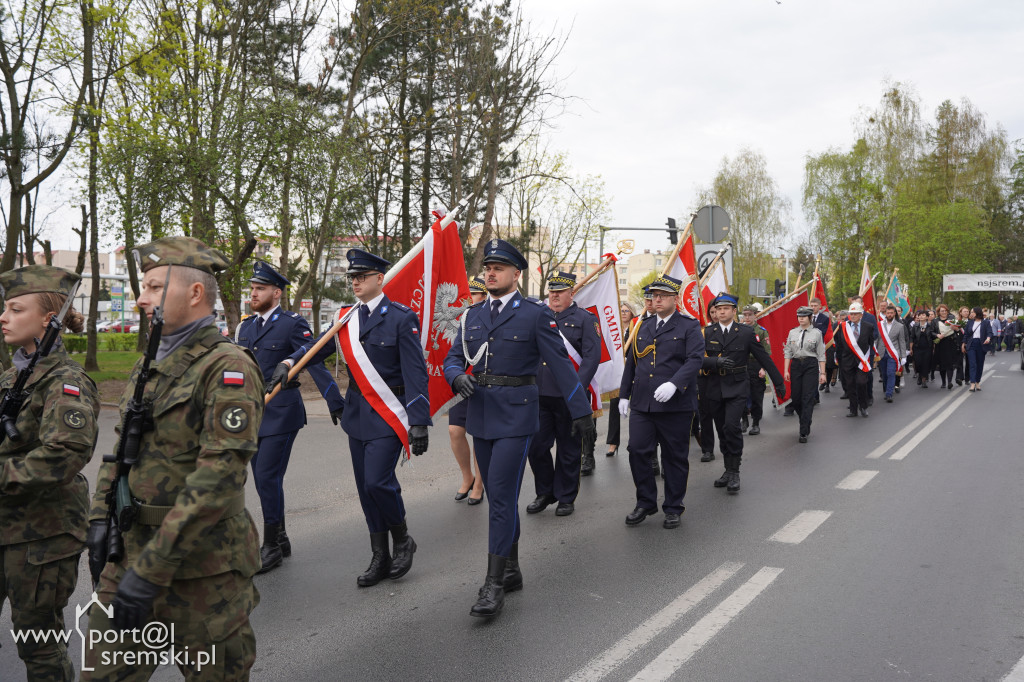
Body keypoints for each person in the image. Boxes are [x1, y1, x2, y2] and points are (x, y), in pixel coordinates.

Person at [84, 237, 263, 680]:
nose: (140, 299)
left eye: (152, 286)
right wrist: (98, 517)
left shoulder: (227, 368)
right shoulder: (151, 361)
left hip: (204, 571)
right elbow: (122, 447)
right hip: (128, 557)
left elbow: (218, 477)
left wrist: (153, 568)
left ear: (194, 293)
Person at [443, 239, 596, 619]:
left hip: (516, 415)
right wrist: (457, 375)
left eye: (498, 267)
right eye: (487, 268)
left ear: (516, 274)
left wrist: (581, 412)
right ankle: (511, 569)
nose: (490, 273)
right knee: (499, 498)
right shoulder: (472, 316)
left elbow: (560, 365)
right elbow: (452, 357)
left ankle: (494, 584)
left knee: (501, 493)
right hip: (480, 414)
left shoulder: (534, 314)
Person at [269, 249, 431, 588]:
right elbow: (315, 348)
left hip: (390, 412)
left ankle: (402, 539)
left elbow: (416, 373)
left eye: (362, 276)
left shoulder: (401, 317)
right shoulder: (345, 317)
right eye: (352, 278)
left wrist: (418, 419)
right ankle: (379, 554)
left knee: (377, 481)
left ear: (379, 278)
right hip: (357, 413)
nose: (355, 282)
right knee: (365, 489)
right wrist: (288, 362)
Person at [0, 266, 98, 681]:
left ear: (48, 319)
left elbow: (64, 454)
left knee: (38, 643)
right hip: (5, 524)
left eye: (15, 308)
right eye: (4, 307)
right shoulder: (12, 375)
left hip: (42, 534)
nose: (3, 316)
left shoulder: (67, 381)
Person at [235, 260, 345, 573]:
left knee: (267, 476)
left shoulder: (292, 323)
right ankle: (280, 536)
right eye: (252, 288)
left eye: (260, 288)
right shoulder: (246, 326)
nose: (253, 293)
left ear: (277, 293)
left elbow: (312, 359)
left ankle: (271, 546)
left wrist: (332, 399)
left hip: (282, 412)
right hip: (252, 411)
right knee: (262, 479)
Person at [618, 274, 703, 527]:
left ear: (675, 299)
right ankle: (645, 501)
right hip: (643, 403)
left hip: (675, 405)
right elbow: (632, 363)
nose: (657, 299)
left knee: (674, 456)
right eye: (654, 296)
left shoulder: (689, 325)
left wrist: (675, 384)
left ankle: (673, 506)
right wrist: (624, 394)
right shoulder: (642, 326)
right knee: (637, 450)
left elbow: (695, 359)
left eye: (663, 295)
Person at [526, 271, 600, 515]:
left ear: (572, 293)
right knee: (536, 447)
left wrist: (575, 391)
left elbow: (591, 357)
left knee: (569, 449)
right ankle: (545, 492)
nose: (554, 295)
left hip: (570, 397)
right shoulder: (539, 316)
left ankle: (566, 497)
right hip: (540, 394)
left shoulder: (585, 319)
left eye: (560, 291)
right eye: (551, 291)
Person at [700, 293, 784, 493]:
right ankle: (727, 470)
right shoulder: (707, 332)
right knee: (722, 430)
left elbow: (763, 357)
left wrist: (778, 382)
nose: (721, 312)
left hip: (737, 386)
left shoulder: (745, 332)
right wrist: (714, 361)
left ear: (733, 311)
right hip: (714, 387)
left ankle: (735, 471)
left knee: (731, 427)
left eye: (725, 309)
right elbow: (694, 358)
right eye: (718, 309)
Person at [448, 276, 487, 505]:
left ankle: (479, 485)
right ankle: (467, 476)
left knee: (479, 436)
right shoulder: (460, 318)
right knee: (455, 431)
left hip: (482, 384)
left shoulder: (486, 316)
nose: (468, 298)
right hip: (462, 383)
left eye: (473, 294)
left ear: (482, 296)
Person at [783, 306, 826, 443]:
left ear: (810, 317)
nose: (801, 318)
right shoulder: (793, 332)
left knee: (807, 398)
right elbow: (788, 352)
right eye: (799, 316)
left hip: (810, 365)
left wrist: (823, 373)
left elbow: (821, 354)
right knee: (795, 399)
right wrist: (786, 370)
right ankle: (806, 419)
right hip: (796, 365)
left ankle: (803, 431)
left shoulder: (816, 333)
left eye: (804, 316)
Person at [835, 302, 877, 417]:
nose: (852, 316)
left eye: (855, 314)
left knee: (861, 383)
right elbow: (839, 345)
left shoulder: (868, 327)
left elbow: (871, 344)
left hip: (861, 361)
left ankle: (863, 406)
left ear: (861, 315)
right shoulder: (843, 326)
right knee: (850, 385)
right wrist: (839, 360)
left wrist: (870, 360)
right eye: (851, 314)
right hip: (847, 361)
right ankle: (853, 409)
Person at [606, 302, 635, 457]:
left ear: (632, 313)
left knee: (637, 407)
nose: (623, 313)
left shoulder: (636, 326)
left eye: (626, 310)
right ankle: (613, 442)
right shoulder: (614, 329)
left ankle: (636, 441)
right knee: (614, 405)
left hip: (633, 371)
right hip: (617, 373)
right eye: (621, 311)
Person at [739, 304, 770, 436]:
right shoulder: (738, 330)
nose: (747, 317)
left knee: (757, 396)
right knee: (741, 395)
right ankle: (744, 419)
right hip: (742, 365)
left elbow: (766, 352)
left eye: (749, 315)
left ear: (755, 315)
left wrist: (764, 368)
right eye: (745, 315)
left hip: (756, 365)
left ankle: (756, 423)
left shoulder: (761, 331)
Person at [697, 305, 720, 462]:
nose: (715, 314)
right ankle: (707, 449)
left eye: (717, 311)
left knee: (721, 416)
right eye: (712, 312)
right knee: (704, 415)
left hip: (723, 379)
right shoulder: (704, 332)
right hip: (705, 377)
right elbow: (698, 355)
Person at [876, 304, 909, 403]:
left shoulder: (900, 326)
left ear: (894, 314)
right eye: (888, 313)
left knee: (891, 373)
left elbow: (902, 341)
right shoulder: (879, 325)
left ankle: (889, 394)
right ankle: (887, 389)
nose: (889, 314)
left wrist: (903, 356)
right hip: (881, 353)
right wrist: (875, 353)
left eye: (891, 313)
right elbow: (876, 340)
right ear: (885, 313)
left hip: (893, 354)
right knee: (884, 374)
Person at [962, 306, 992, 392]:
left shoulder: (985, 322)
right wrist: (963, 344)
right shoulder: (970, 323)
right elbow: (966, 334)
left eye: (972, 312)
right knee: (972, 364)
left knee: (979, 364)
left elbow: (990, 332)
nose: (970, 314)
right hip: (971, 344)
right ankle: (972, 384)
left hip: (981, 344)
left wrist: (988, 338)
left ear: (977, 313)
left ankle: (977, 382)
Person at [932, 303, 959, 390]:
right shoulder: (935, 321)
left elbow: (957, 330)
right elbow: (931, 332)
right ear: (939, 312)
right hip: (940, 344)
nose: (944, 312)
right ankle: (943, 382)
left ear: (947, 312)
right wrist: (937, 335)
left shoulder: (952, 319)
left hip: (950, 343)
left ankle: (950, 382)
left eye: (945, 311)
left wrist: (955, 328)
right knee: (941, 364)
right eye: (942, 311)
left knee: (950, 363)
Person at [909, 310, 936, 388]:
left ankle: (924, 380)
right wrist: (911, 348)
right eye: (919, 315)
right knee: (918, 363)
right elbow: (912, 337)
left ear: (927, 317)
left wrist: (934, 348)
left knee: (926, 363)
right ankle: (920, 375)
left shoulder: (930, 326)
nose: (921, 316)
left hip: (928, 348)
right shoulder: (915, 325)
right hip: (917, 348)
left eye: (923, 315)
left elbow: (933, 337)